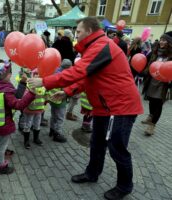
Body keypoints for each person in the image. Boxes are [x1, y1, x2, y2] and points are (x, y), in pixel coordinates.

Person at [27, 17, 143, 200]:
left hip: (120, 107)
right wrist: (66, 92)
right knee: (97, 143)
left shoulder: (102, 45)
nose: (76, 34)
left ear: (89, 31)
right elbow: (87, 78)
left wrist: (44, 81)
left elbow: (77, 72)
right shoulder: (95, 47)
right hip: (105, 107)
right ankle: (92, 173)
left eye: (79, 31)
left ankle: (124, 185)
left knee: (117, 148)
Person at [0, 61, 35, 174]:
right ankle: (1, 166)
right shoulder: (6, 92)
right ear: (2, 77)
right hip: (4, 124)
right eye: (9, 73)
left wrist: (22, 83)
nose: (11, 75)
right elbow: (18, 104)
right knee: (2, 146)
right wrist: (31, 94)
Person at [141, 31, 172, 136]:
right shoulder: (154, 52)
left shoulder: (171, 55)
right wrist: (144, 72)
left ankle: (152, 125)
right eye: (161, 40)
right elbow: (147, 64)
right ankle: (151, 115)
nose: (161, 42)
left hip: (163, 84)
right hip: (152, 81)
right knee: (151, 101)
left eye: (164, 40)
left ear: (169, 42)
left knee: (158, 104)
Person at [22, 69, 46, 149]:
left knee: (37, 124)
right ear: (33, 75)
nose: (38, 76)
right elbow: (24, 96)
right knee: (28, 124)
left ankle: (36, 138)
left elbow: (45, 95)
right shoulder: (29, 85)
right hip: (30, 109)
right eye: (36, 74)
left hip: (39, 109)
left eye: (40, 74)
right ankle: (26, 141)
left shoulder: (43, 85)